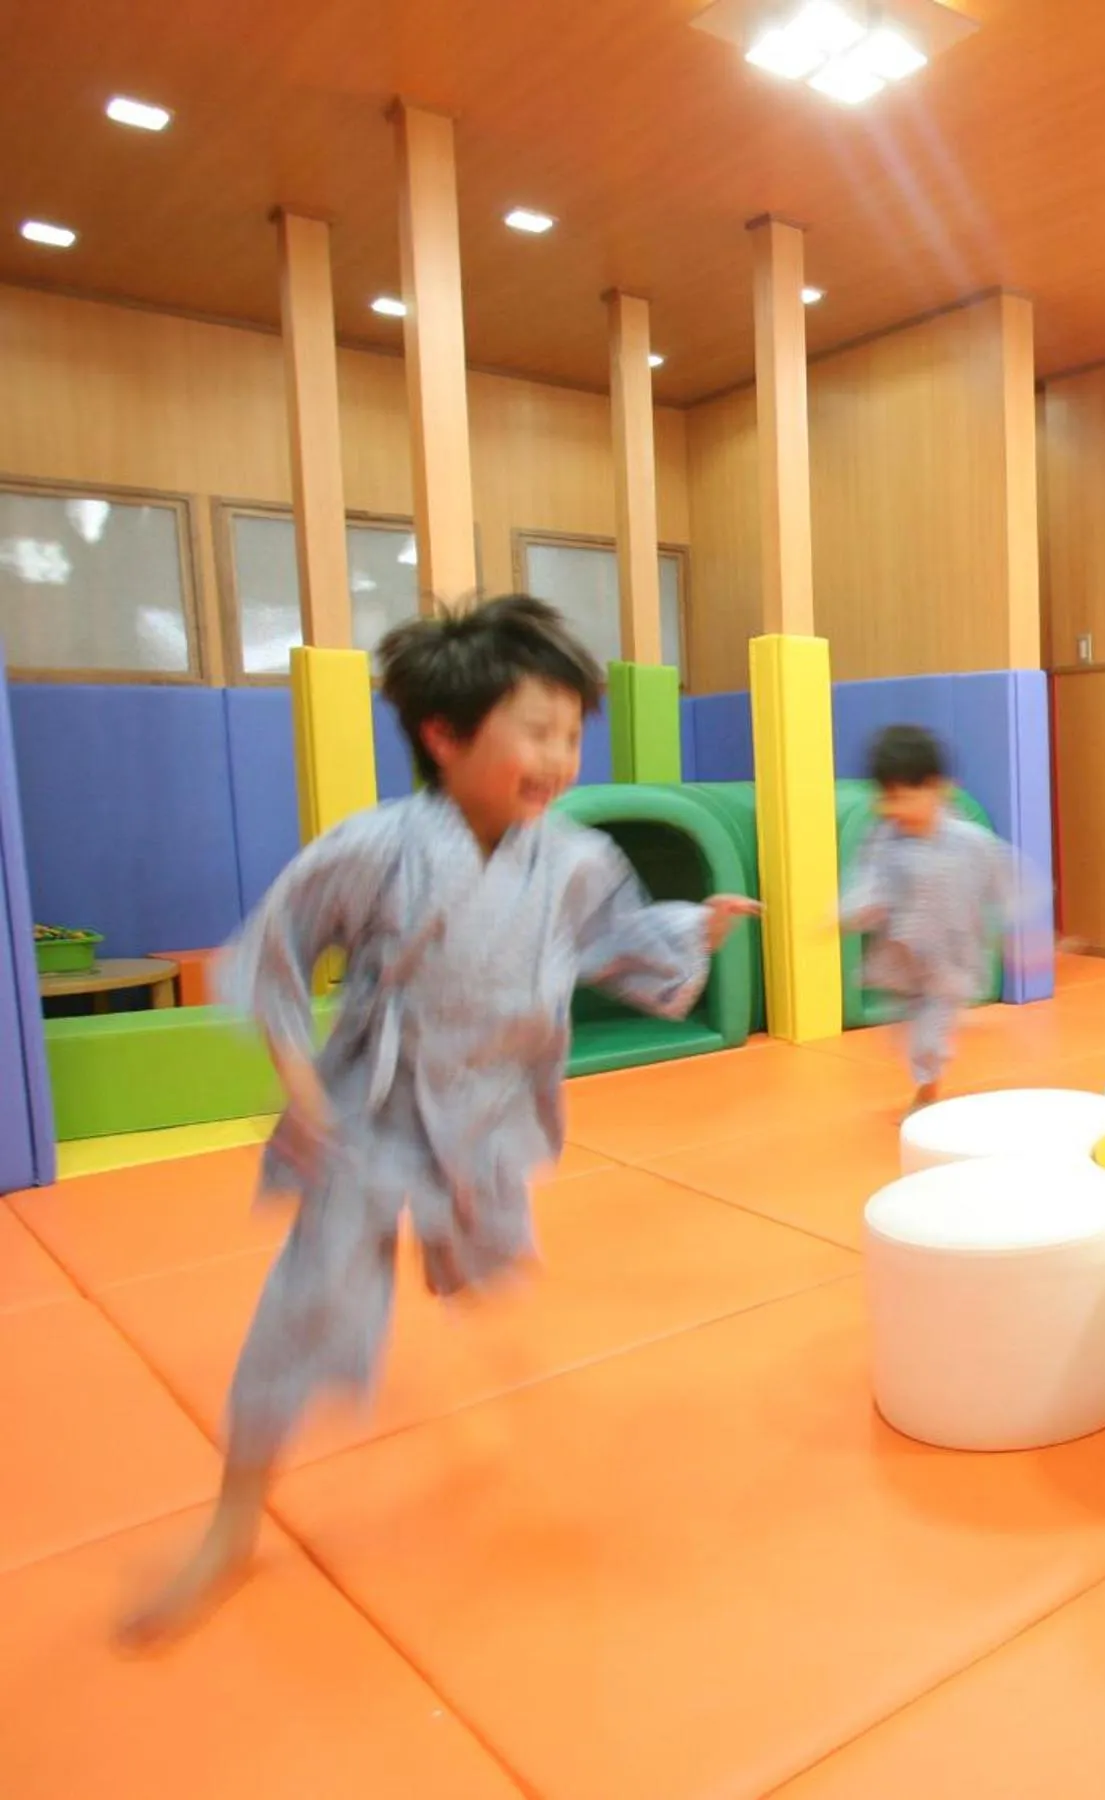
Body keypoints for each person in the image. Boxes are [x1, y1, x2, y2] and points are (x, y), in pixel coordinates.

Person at [120, 595, 757, 1646]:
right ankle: (232, 1531)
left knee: (489, 1250)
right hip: (373, 1115)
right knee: (305, 1312)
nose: (560, 758)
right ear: (445, 735)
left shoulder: (575, 859)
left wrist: (700, 924)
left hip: (496, 1111)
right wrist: (303, 1089)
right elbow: (274, 949)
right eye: (536, 731)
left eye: (570, 734)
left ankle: (466, 1247)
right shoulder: (374, 849)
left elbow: (621, 934)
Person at [839, 723, 1020, 1109]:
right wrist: (854, 909)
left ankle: (926, 1092)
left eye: (904, 798)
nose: (895, 809)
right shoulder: (885, 836)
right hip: (902, 955)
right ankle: (934, 1049)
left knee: (928, 1035)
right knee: (903, 1027)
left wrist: (1018, 932)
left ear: (937, 789)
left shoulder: (968, 840)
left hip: (949, 956)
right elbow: (869, 877)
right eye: (888, 798)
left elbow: (1003, 880)